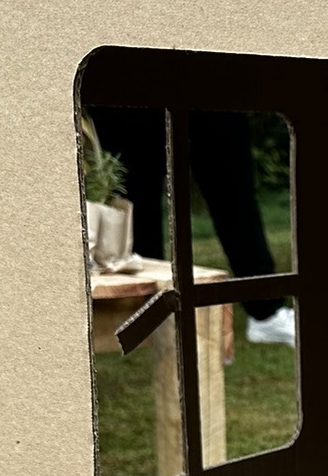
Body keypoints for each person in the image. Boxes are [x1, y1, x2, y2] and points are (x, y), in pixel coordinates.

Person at [89, 107, 297, 347]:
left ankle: (265, 310)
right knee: (137, 188)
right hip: (130, 81)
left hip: (207, 77)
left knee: (232, 180)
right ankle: (149, 313)